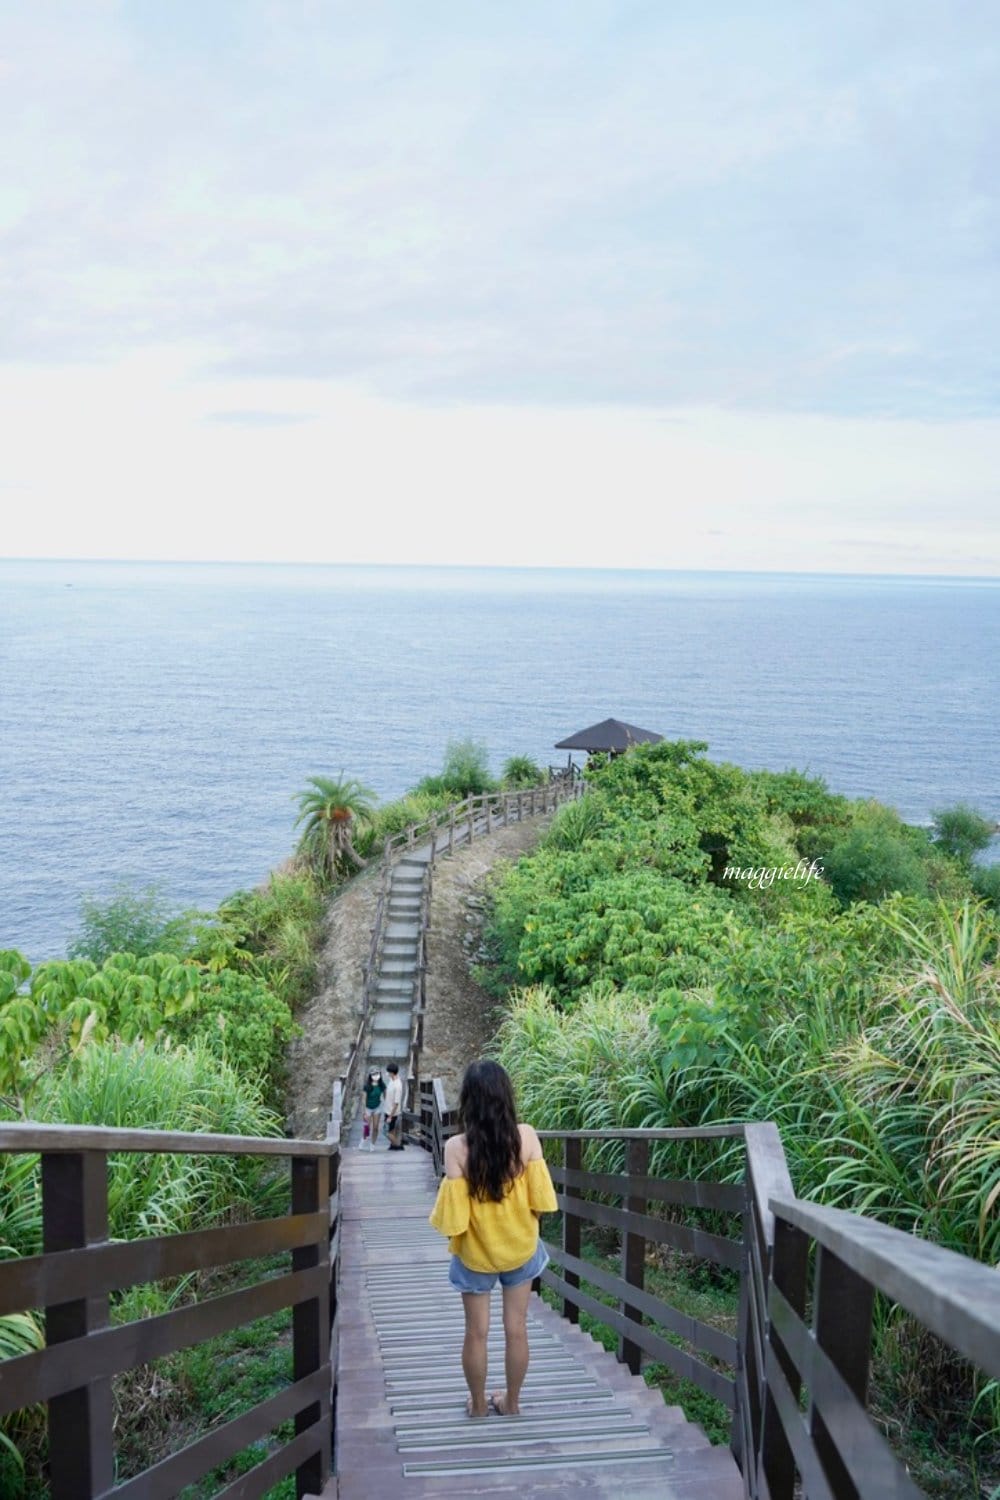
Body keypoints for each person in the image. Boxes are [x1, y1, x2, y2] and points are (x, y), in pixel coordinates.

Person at [428, 1059, 557, 1418]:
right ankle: (512, 1404)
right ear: (506, 1097)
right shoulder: (527, 1137)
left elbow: (454, 1221)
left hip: (476, 1256)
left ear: (469, 1101)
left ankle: (479, 1405)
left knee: (476, 1333)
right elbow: (543, 1202)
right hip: (520, 1249)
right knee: (516, 1329)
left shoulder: (456, 1149)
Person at [361, 1067, 386, 1151]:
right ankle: (363, 1140)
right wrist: (364, 1111)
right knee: (367, 1127)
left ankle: (372, 1144)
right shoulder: (367, 1086)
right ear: (370, 1076)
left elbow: (386, 1096)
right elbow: (364, 1099)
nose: (375, 1076)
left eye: (377, 1074)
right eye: (373, 1074)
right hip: (368, 1107)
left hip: (377, 1107)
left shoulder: (382, 1085)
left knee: (375, 1127)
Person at [384, 1061, 404, 1149]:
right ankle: (393, 1145)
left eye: (388, 1072)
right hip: (387, 1110)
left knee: (386, 1132)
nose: (387, 1074)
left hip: (392, 1112)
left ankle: (398, 1145)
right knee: (391, 1131)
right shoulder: (391, 1080)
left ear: (392, 1073)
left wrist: (390, 1116)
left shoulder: (398, 1085)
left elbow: (396, 1103)